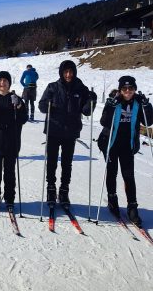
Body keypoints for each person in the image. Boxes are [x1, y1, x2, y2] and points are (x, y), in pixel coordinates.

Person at [38, 60, 96, 205]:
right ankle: (51, 188)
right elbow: (42, 106)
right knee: (51, 161)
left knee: (67, 163)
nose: (68, 75)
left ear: (74, 72)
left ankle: (64, 190)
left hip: (71, 131)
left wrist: (91, 101)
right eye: (66, 72)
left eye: (71, 72)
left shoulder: (81, 89)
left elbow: (86, 112)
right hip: (53, 130)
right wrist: (48, 104)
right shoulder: (52, 87)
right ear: (62, 73)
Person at [98, 76, 152, 226]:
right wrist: (110, 106)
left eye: (131, 88)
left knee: (128, 175)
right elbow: (104, 122)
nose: (128, 91)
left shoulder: (138, 103)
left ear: (134, 89)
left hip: (127, 144)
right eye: (124, 89)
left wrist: (147, 106)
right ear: (120, 90)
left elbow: (149, 121)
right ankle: (112, 199)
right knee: (112, 171)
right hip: (110, 143)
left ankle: (132, 206)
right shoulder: (115, 101)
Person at [0, 71, 27, 209]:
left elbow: (23, 119)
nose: (2, 83)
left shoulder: (16, 99)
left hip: (11, 141)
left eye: (5, 81)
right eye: (0, 80)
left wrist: (19, 106)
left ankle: (9, 198)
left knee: (9, 172)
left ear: (9, 83)